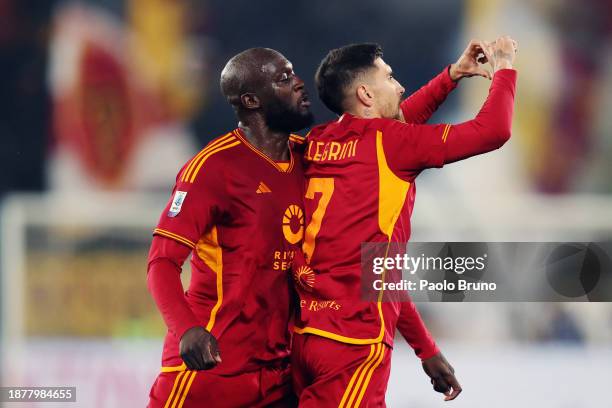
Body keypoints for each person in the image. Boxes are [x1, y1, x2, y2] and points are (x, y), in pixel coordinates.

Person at [291, 37, 517, 406]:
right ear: (365, 93)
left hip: (305, 336)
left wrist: (453, 75)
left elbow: (381, 274)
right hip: (354, 343)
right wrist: (505, 67)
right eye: (390, 77)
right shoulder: (389, 144)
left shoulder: (319, 143)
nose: (400, 86)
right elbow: (494, 130)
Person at [146, 47, 313, 407]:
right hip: (210, 370)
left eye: (293, 74)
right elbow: (161, 263)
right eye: (284, 78)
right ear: (252, 100)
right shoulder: (213, 168)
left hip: (279, 377)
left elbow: (385, 141)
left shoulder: (311, 159)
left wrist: (448, 79)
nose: (299, 83)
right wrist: (187, 329)